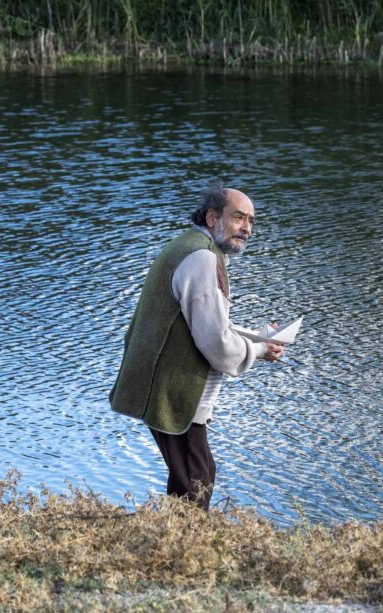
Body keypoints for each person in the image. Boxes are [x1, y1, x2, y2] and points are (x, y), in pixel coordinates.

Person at [109, 183, 285, 510]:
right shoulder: (203, 258)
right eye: (238, 218)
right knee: (197, 478)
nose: (246, 228)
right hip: (173, 393)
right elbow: (214, 342)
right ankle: (182, 554)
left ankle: (171, 548)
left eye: (251, 221)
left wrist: (257, 338)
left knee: (189, 478)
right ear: (212, 216)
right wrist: (259, 350)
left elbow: (207, 324)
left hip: (158, 385)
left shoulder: (187, 245)